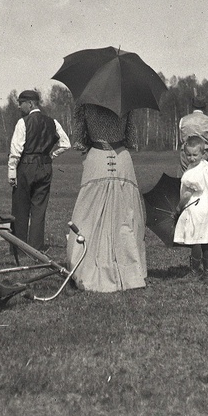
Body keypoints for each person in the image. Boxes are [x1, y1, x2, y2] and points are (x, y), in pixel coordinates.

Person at [68, 102, 146, 292]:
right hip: (121, 159)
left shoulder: (85, 103)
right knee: (126, 215)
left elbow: (79, 141)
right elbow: (131, 139)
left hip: (97, 160)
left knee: (88, 216)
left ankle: (85, 267)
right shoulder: (125, 102)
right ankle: (130, 271)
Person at [6, 90, 71, 251]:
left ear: (30, 103)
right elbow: (66, 144)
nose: (20, 107)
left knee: (20, 209)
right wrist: (52, 155)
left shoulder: (23, 122)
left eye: (21, 103)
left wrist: (11, 171)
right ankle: (36, 247)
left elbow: (16, 151)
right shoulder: (53, 122)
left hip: (26, 166)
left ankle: (19, 248)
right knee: (39, 209)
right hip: (45, 167)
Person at [174, 137, 208, 274]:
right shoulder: (205, 166)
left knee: (196, 240)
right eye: (188, 155)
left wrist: (179, 207)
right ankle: (207, 271)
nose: (191, 158)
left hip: (197, 208)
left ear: (202, 154)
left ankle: (194, 270)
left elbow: (187, 195)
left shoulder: (193, 173)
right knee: (205, 240)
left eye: (195, 155)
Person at [178, 96, 208, 174]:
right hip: (203, 154)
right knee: (202, 181)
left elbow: (181, 139)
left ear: (192, 106)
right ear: (204, 107)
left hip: (186, 154)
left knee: (184, 179)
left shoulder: (183, 120)